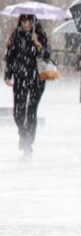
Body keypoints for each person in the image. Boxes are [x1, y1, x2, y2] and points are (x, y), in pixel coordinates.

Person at [3, 14, 51, 155]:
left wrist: (37, 43)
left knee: (31, 110)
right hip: (20, 76)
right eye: (24, 20)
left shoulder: (40, 35)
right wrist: (8, 74)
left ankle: (29, 141)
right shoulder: (16, 35)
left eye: (29, 21)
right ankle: (23, 135)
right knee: (18, 111)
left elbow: (47, 55)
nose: (27, 24)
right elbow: (10, 57)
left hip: (37, 77)